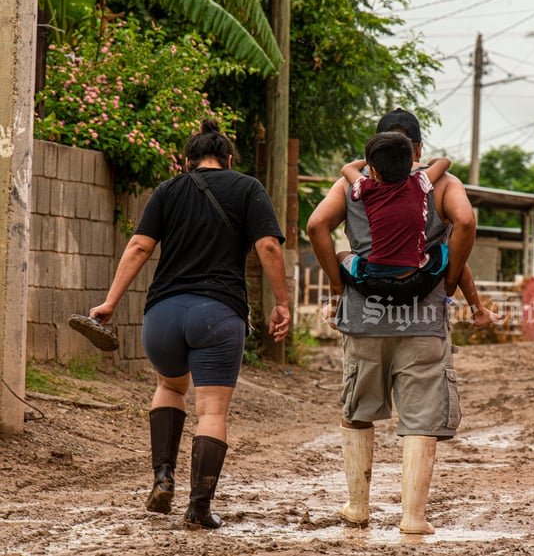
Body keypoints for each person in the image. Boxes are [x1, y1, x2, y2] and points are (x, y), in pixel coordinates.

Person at [89, 119, 291, 529]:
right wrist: (282, 303)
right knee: (212, 409)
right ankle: (199, 508)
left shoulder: (167, 190)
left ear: (187, 161)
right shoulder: (247, 188)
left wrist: (111, 301)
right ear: (229, 159)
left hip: (162, 315)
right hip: (217, 315)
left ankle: (163, 478)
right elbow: (268, 244)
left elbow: (140, 245)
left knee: (168, 386)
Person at [307, 108, 488, 535]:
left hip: (363, 315)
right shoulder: (441, 184)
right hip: (424, 317)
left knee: (358, 410)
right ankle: (413, 517)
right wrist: (447, 280)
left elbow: (316, 226)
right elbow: (465, 221)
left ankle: (357, 506)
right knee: (422, 416)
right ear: (418, 149)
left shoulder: (352, 187)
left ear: (373, 153)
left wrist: (337, 288)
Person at [336, 131, 452, 305]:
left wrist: (367, 164)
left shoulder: (367, 188)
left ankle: (334, 300)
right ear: (410, 165)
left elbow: (347, 169)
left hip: (374, 284)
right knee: (447, 250)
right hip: (416, 283)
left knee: (341, 255)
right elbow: (444, 162)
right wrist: (426, 164)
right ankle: (465, 302)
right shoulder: (420, 182)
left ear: (373, 171)